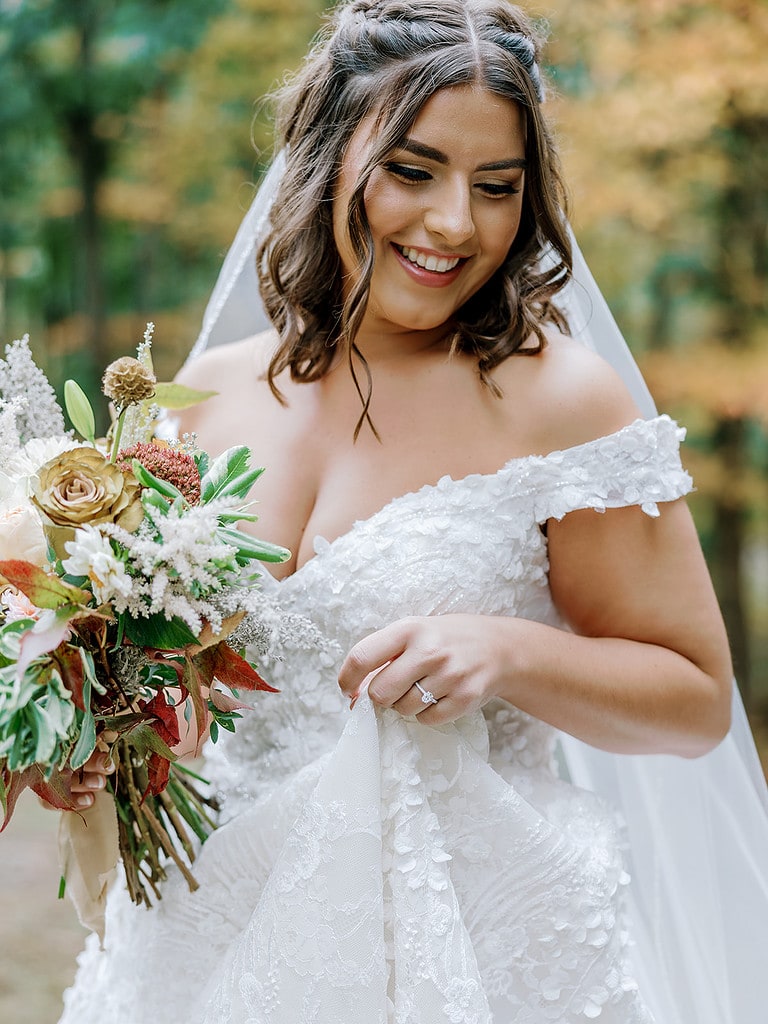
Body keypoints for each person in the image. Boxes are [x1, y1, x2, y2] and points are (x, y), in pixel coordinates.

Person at [58, 2, 768, 1022]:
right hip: (214, 946)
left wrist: (505, 651)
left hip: (479, 947)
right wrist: (96, 742)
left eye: (496, 188)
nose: (454, 224)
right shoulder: (204, 395)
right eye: (413, 170)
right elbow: (179, 701)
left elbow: (696, 696)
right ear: (327, 154)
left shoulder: (560, 401)